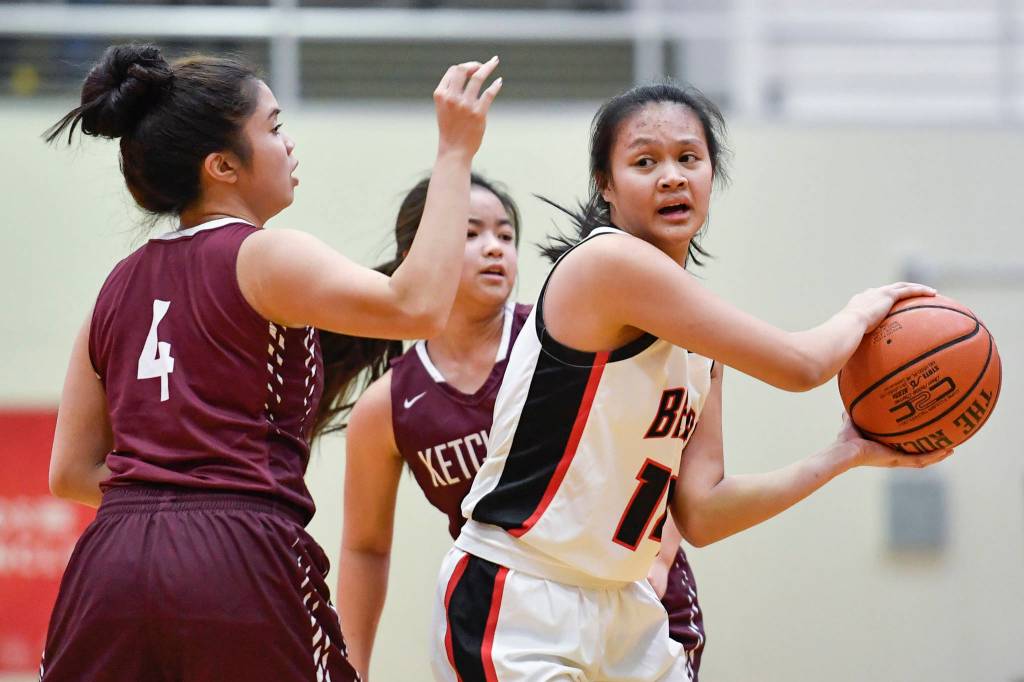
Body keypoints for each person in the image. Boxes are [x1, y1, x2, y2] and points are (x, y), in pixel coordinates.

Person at [432, 82, 952, 681]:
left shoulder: (700, 345)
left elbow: (702, 514)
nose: (672, 177)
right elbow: (802, 366)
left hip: (622, 608)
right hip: (519, 594)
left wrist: (844, 455)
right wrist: (864, 309)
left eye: (688, 158)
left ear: (711, 174)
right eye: (644, 162)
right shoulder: (606, 264)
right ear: (605, 184)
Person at [41, 43, 500, 681]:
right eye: (275, 128)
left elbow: (69, 473)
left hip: (108, 565)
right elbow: (418, 306)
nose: (289, 145)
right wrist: (455, 152)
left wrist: (167, 494)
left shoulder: (113, 290)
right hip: (237, 555)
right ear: (223, 165)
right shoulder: (262, 256)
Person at [332, 173, 707, 681]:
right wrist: (351, 669)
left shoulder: (565, 336)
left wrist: (660, 560)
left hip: (629, 588)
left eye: (505, 235)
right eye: (470, 233)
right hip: (514, 611)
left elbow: (668, 442)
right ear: (416, 253)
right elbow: (365, 547)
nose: (494, 248)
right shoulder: (389, 405)